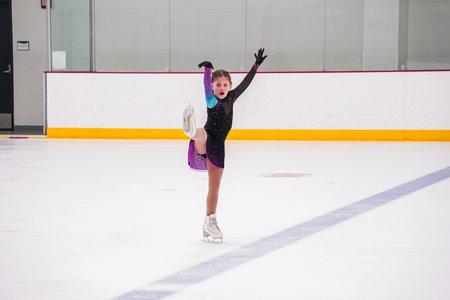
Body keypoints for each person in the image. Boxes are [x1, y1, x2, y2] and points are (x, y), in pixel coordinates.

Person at [183, 48, 268, 242]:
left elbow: (246, 83)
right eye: (217, 84)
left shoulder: (232, 97)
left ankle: (209, 222)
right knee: (202, 133)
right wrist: (207, 70)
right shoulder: (211, 100)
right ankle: (192, 131)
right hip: (206, 140)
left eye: (225, 84)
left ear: (229, 86)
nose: (221, 87)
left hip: (218, 148)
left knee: (214, 188)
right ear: (212, 88)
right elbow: (205, 86)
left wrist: (255, 66)